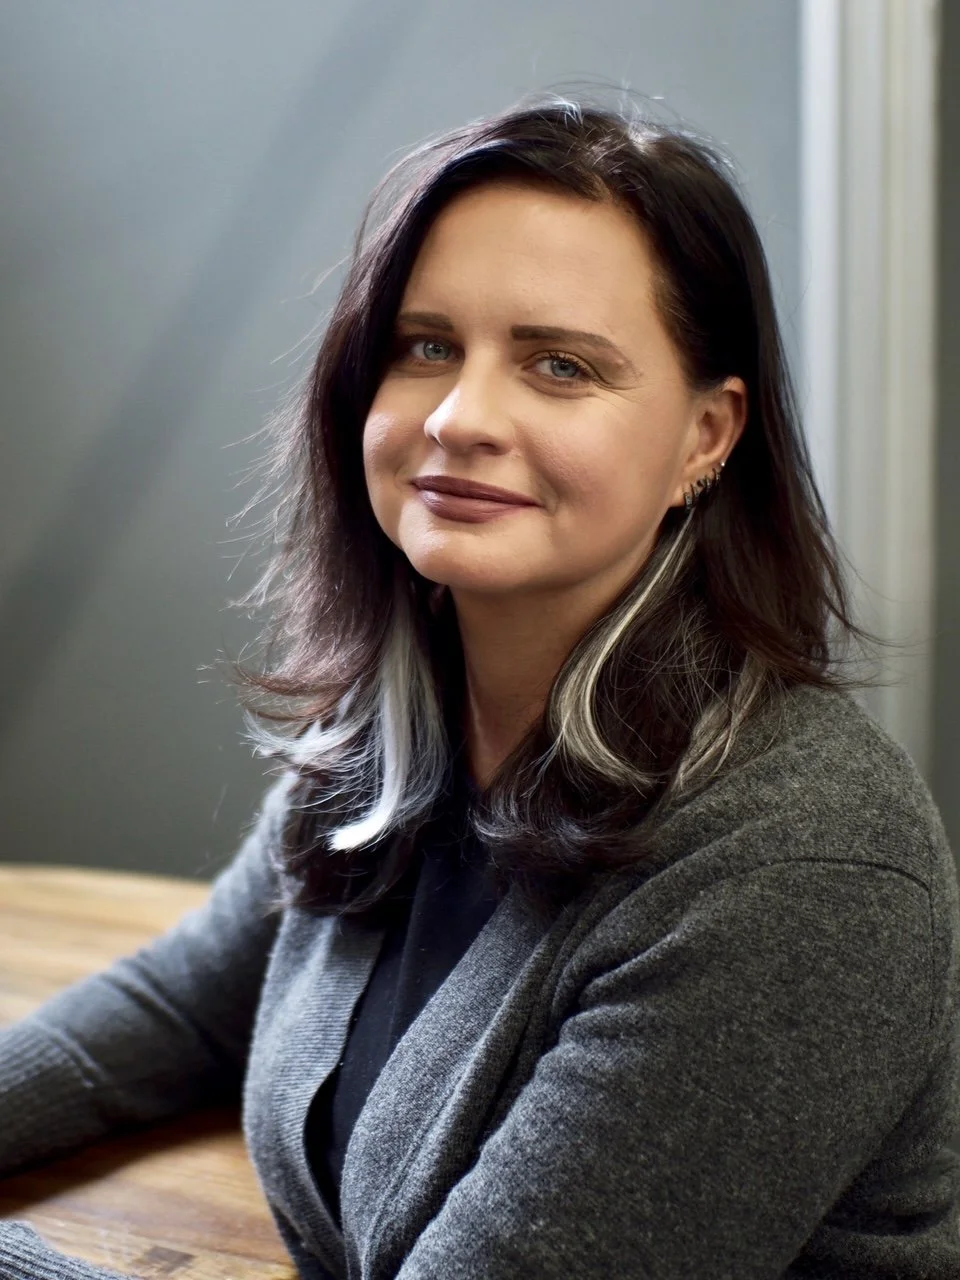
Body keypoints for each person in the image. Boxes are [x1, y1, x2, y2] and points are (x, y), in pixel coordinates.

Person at [0, 93, 958, 1280]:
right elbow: (185, 1006)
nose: (460, 416)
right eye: (427, 346)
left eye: (561, 366)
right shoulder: (398, 719)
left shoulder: (803, 862)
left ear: (707, 436)